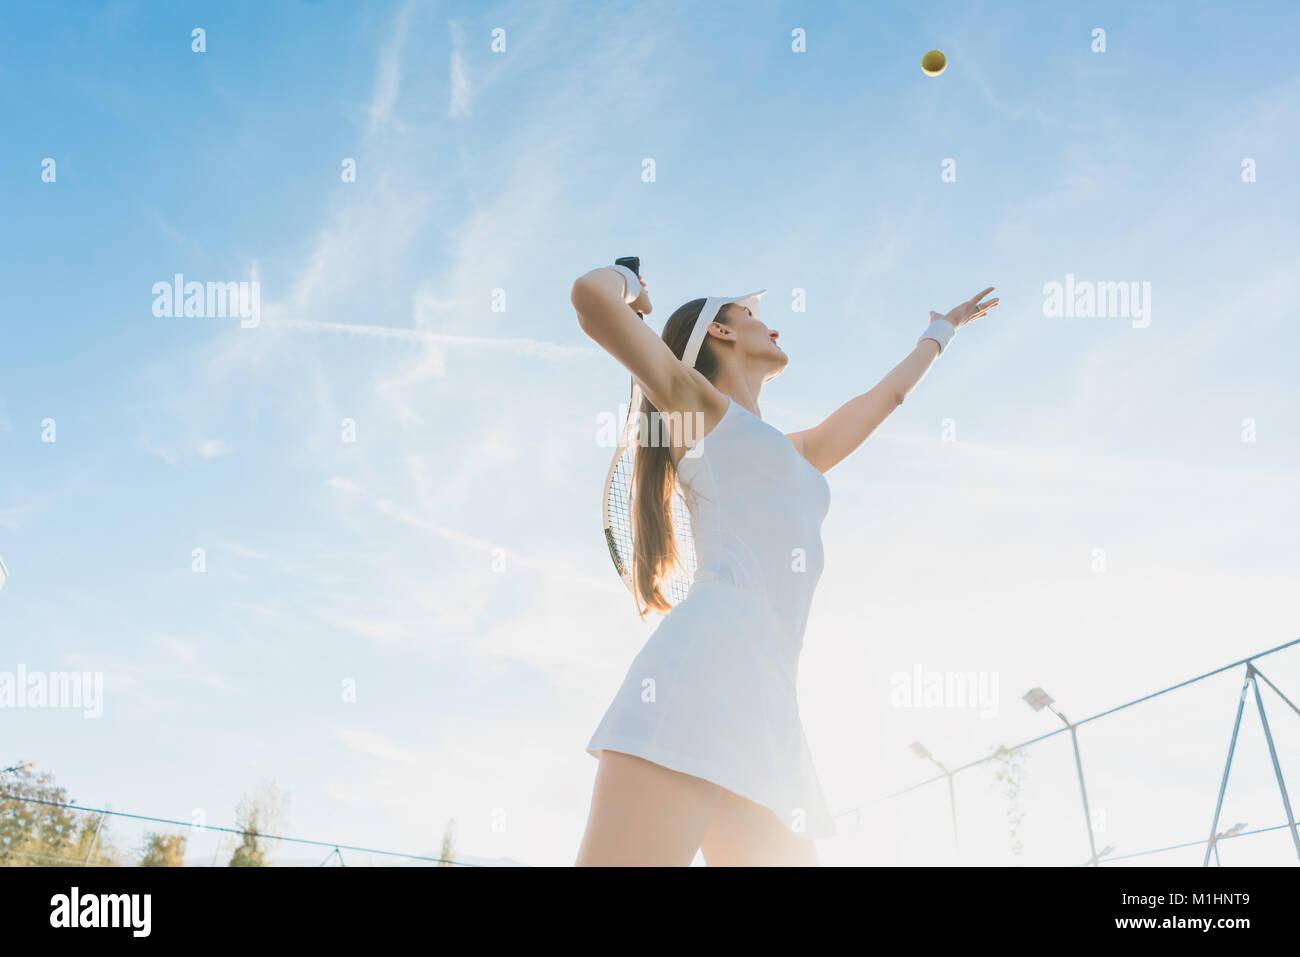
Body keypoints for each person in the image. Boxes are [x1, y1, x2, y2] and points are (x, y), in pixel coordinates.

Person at [571, 263, 997, 865]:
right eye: (749, 316)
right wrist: (630, 283)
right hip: (703, 669)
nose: (769, 326)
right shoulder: (697, 412)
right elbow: (591, 299)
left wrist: (941, 331)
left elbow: (888, 397)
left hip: (771, 705)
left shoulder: (796, 452)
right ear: (719, 333)